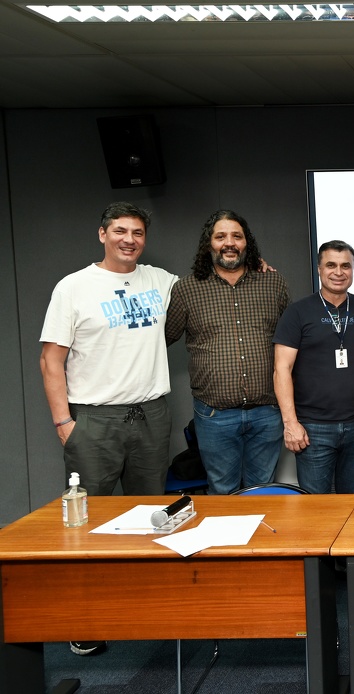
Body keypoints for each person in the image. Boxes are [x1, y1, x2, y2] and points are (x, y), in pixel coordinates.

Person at [40, 201, 176, 657]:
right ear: (102, 234)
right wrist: (64, 423)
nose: (129, 239)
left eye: (137, 232)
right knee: (88, 523)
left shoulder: (160, 281)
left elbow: (212, 279)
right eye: (120, 231)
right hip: (93, 419)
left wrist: (254, 261)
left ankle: (148, 610)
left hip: (151, 416)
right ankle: (86, 620)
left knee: (154, 518)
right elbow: (50, 359)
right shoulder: (73, 287)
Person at [165, 209, 289, 495]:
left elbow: (291, 344)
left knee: (262, 491)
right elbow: (162, 339)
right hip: (214, 415)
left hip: (267, 412)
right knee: (222, 493)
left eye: (237, 236)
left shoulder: (273, 283)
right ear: (209, 243)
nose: (229, 243)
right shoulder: (187, 289)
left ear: (248, 242)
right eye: (220, 236)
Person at [273, 240, 354, 493]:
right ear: (319, 269)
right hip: (313, 428)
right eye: (331, 265)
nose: (338, 272)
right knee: (315, 506)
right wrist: (291, 424)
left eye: (346, 266)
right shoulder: (298, 312)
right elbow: (281, 370)